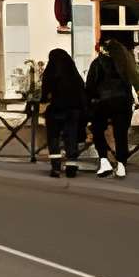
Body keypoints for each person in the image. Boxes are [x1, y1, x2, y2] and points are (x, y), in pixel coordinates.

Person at [84, 38, 137, 177]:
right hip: (123, 102)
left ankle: (104, 160)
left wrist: (89, 103)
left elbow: (90, 86)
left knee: (97, 128)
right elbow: (133, 83)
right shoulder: (125, 64)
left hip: (104, 101)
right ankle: (121, 165)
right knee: (121, 134)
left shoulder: (98, 63)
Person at [37, 47, 88, 178]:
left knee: (53, 138)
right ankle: (71, 166)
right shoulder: (74, 75)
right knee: (71, 138)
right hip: (72, 111)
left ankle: (55, 167)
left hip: (55, 110)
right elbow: (82, 93)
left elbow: (44, 95)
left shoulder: (50, 73)